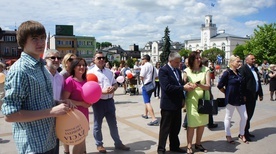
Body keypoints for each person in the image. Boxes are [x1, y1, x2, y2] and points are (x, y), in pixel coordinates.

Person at [1, 20, 74, 154]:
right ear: (23, 42)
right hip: (33, 145)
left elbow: (39, 101)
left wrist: (58, 103)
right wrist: (51, 111)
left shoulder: (42, 66)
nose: (40, 43)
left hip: (50, 139)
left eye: (42, 38)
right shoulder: (20, 70)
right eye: (34, 39)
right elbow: (10, 115)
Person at [90, 52, 130, 153]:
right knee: (97, 124)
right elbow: (90, 89)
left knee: (113, 124)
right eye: (99, 58)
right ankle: (99, 144)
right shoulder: (91, 73)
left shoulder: (108, 71)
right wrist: (101, 91)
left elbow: (115, 83)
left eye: (103, 58)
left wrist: (114, 88)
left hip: (110, 101)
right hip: (98, 102)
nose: (101, 59)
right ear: (94, 60)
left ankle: (118, 143)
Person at [157, 52, 194, 154]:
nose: (179, 64)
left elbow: (178, 83)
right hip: (168, 105)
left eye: (179, 62)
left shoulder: (177, 70)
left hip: (177, 104)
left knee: (175, 128)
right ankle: (161, 149)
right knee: (165, 129)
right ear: (170, 61)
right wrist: (183, 87)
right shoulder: (163, 71)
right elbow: (167, 87)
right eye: (177, 62)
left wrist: (186, 84)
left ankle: (174, 146)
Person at [183, 51, 210, 154]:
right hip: (192, 100)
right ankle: (189, 145)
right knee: (192, 123)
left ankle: (198, 143)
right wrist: (188, 85)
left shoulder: (205, 70)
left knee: (202, 123)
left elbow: (208, 86)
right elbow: (184, 85)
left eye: (200, 58)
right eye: (197, 58)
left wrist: (199, 85)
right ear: (191, 60)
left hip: (203, 99)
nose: (199, 60)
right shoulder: (186, 71)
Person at [62, 58, 91, 154]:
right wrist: (82, 103)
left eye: (84, 65)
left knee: (83, 139)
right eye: (79, 65)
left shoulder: (86, 80)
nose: (82, 67)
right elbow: (65, 99)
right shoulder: (70, 81)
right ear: (74, 67)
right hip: (74, 115)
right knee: (79, 141)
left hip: (85, 114)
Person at [217, 55, 248, 144]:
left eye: (240, 61)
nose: (239, 63)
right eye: (237, 61)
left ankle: (242, 134)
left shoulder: (239, 72)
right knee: (228, 117)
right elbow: (219, 85)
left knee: (245, 117)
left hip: (240, 98)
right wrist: (226, 92)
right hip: (231, 99)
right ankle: (228, 135)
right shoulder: (227, 73)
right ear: (231, 62)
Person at [44, 49, 66, 154]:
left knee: (56, 143)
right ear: (46, 59)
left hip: (57, 115)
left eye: (58, 58)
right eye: (53, 58)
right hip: (43, 115)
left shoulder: (60, 77)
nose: (56, 60)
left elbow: (61, 95)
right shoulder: (41, 74)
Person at [239, 54, 263, 141]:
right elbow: (242, 83)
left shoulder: (255, 69)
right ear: (247, 60)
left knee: (250, 114)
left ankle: (246, 131)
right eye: (252, 59)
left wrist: (260, 93)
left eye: (254, 58)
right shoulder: (243, 69)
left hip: (254, 95)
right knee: (246, 115)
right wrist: (243, 95)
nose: (254, 60)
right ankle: (243, 133)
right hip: (247, 96)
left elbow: (258, 82)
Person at [60, 52, 77, 154]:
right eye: (70, 60)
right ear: (65, 62)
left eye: (75, 60)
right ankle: (66, 151)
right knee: (65, 130)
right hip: (65, 104)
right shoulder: (62, 75)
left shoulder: (75, 73)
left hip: (75, 104)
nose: (73, 62)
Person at [140, 54, 158, 126]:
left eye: (142, 59)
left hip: (146, 86)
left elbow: (141, 76)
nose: (141, 60)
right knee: (147, 100)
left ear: (145, 59)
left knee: (147, 102)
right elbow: (156, 76)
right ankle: (145, 114)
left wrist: (144, 81)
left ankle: (154, 118)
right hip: (152, 86)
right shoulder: (153, 67)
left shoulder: (145, 66)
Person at [201, 58, 218, 129]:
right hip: (206, 92)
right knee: (209, 107)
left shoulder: (199, 70)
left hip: (201, 91)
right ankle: (210, 123)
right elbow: (208, 84)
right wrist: (211, 93)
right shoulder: (206, 70)